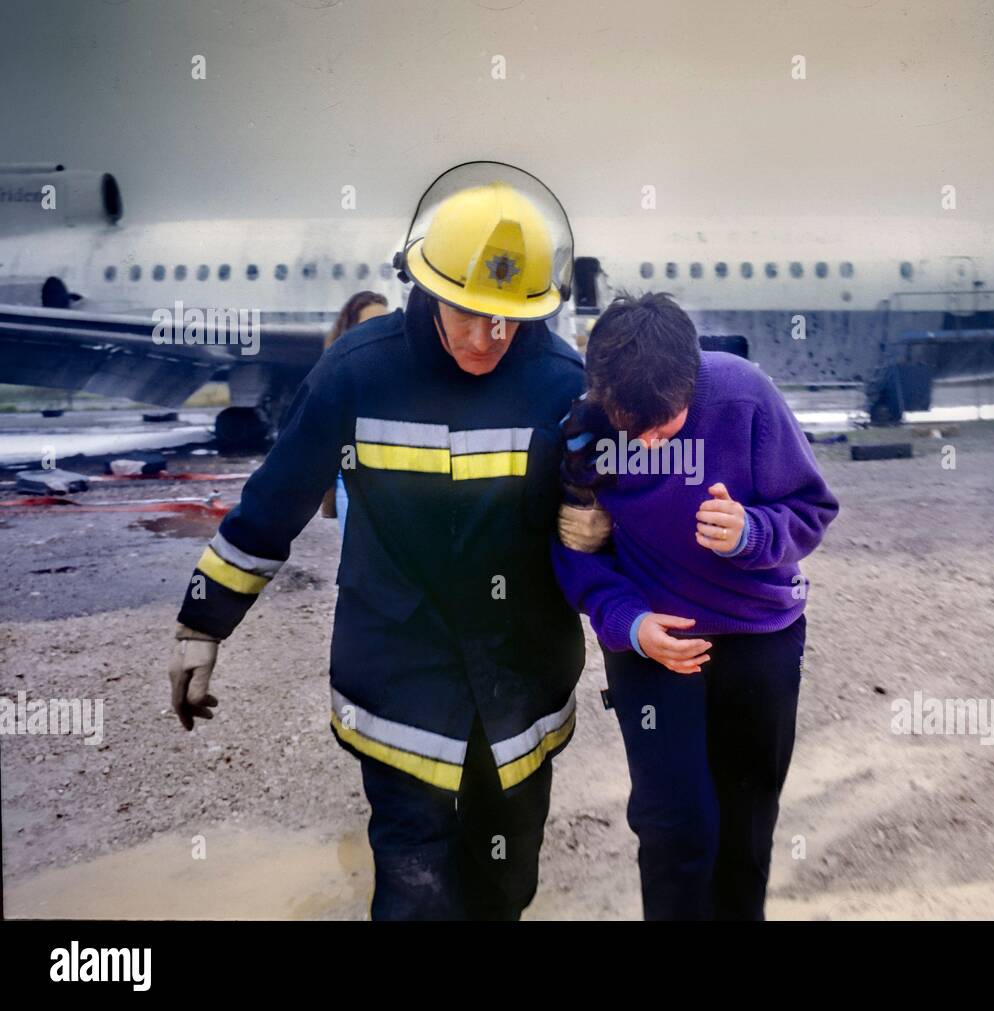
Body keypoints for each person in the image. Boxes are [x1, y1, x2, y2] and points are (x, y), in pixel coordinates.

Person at [167, 163, 586, 920]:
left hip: (519, 688)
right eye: (467, 312)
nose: (488, 336)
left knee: (505, 883)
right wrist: (203, 622)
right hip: (399, 681)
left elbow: (616, 509)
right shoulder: (357, 373)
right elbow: (275, 501)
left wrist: (604, 534)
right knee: (414, 893)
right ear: (426, 287)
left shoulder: (563, 382)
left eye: (508, 317)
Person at [553, 291, 839, 920]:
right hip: (653, 649)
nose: (650, 443)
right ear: (603, 393)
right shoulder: (583, 435)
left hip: (759, 638)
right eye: (635, 426)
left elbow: (813, 511)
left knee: (746, 825)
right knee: (672, 828)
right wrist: (628, 622)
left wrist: (751, 534)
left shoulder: (744, 394)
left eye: (668, 424)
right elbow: (578, 552)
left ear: (693, 378)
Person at [320, 291, 389, 534]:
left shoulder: (398, 369)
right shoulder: (337, 373)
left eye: (385, 323)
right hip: (350, 481)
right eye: (370, 325)